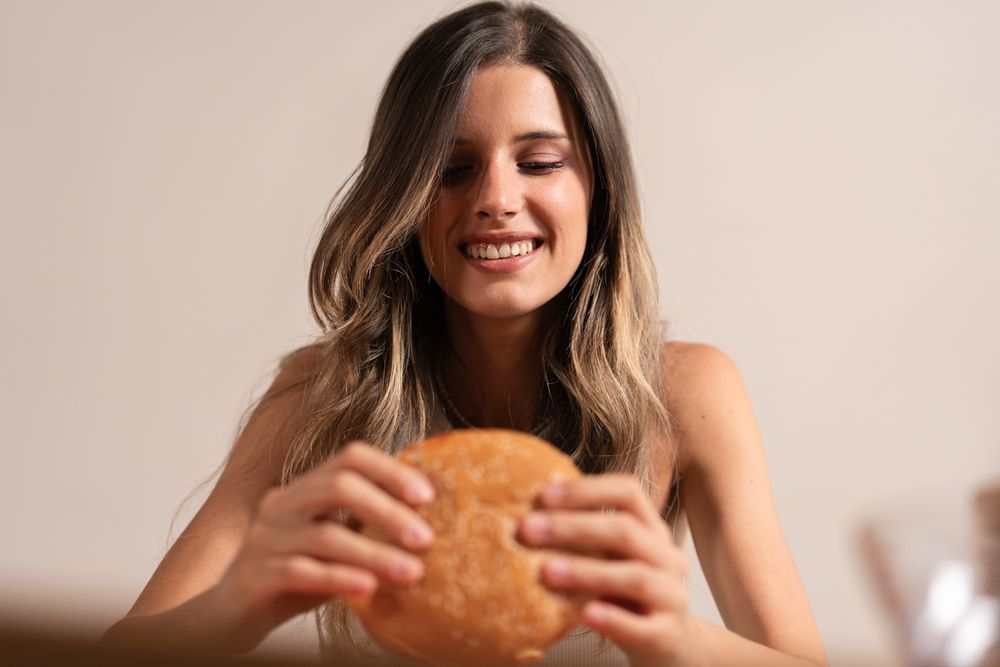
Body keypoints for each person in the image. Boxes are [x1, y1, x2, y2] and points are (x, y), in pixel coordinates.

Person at [102, 2, 828, 665]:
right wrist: (243, 600)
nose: (496, 200)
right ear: (406, 197)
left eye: (540, 162)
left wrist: (675, 636)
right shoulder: (318, 395)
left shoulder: (686, 392)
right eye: (452, 168)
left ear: (598, 189)